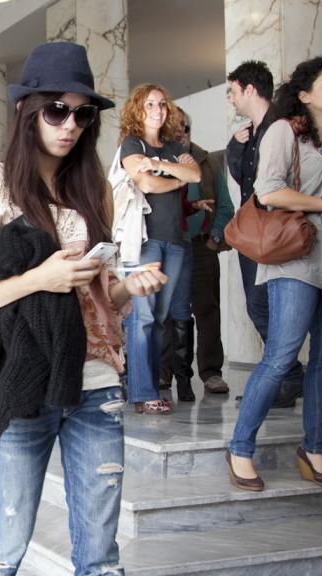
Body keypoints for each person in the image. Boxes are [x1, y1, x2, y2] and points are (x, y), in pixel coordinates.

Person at [0, 42, 167, 576]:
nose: (70, 124)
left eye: (81, 113)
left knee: (100, 553)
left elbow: (101, 299)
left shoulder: (93, 188)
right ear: (28, 112)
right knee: (11, 530)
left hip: (95, 384)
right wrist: (39, 278)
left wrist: (131, 286)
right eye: (56, 111)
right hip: (23, 383)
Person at [225, 57, 322, 493]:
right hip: (294, 258)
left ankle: (314, 447)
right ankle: (240, 447)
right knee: (281, 356)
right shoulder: (284, 131)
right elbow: (269, 191)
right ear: (304, 93)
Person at [118, 83, 202, 415]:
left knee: (161, 319)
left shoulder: (171, 147)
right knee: (142, 317)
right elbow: (146, 182)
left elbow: (195, 173)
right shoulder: (131, 144)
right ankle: (142, 391)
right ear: (137, 110)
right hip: (144, 240)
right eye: (150, 104)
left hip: (175, 241)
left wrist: (160, 165)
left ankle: (148, 388)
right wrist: (176, 177)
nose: (158, 110)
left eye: (162, 104)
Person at [227, 60, 305, 407]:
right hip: (252, 231)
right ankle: (289, 375)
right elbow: (242, 178)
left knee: (266, 305)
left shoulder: (280, 128)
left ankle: (287, 377)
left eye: (233, 91)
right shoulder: (248, 133)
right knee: (258, 305)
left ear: (249, 89)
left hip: (276, 231)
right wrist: (235, 146)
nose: (231, 98)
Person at [160, 108, 231, 398]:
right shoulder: (158, 160)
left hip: (201, 246)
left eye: (185, 128)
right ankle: (164, 373)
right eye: (174, 127)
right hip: (168, 246)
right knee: (168, 312)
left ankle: (211, 373)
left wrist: (214, 239)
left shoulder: (208, 161)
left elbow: (225, 206)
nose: (180, 133)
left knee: (207, 310)